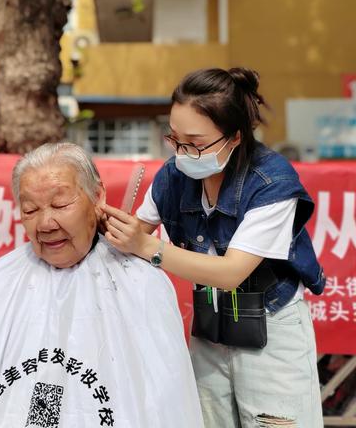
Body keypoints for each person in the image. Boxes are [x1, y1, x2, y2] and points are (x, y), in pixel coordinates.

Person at [0, 142, 203, 428]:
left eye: (60, 204)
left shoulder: (139, 280)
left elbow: (163, 401)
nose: (45, 224)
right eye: (30, 210)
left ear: (98, 197)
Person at [102, 68, 325, 427]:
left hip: (270, 325)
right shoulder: (173, 175)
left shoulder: (273, 182)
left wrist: (147, 246)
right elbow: (132, 235)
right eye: (174, 139)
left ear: (235, 137)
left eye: (196, 141)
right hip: (210, 326)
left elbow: (231, 273)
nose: (183, 152)